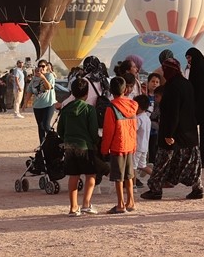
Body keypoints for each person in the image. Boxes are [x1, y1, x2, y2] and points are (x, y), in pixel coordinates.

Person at [142, 57, 204, 200]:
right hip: (189, 131)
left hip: (173, 131)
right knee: (191, 161)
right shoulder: (187, 84)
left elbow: (172, 112)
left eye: (164, 70)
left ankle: (155, 189)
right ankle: (197, 187)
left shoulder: (171, 87)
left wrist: (169, 133)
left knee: (162, 160)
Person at [57, 76, 100, 215]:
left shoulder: (66, 109)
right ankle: (86, 204)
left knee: (73, 176)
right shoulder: (89, 109)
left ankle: (73, 207)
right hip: (85, 146)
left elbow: (60, 130)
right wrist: (95, 142)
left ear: (73, 93)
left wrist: (66, 139)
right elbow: (93, 130)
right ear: (87, 93)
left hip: (69, 146)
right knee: (91, 174)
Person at [100, 75, 139, 214]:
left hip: (118, 145)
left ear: (111, 90)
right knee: (129, 175)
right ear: (125, 89)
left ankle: (120, 204)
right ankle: (131, 201)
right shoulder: (132, 106)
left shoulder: (112, 108)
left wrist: (104, 149)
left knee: (118, 177)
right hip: (130, 143)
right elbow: (134, 127)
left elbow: (108, 131)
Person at [30, 61, 57, 143]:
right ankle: (42, 145)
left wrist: (43, 77)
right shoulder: (35, 78)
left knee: (46, 125)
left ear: (47, 67)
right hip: (37, 105)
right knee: (40, 126)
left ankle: (55, 139)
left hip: (48, 104)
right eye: (39, 66)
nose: (41, 68)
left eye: (43, 66)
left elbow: (49, 87)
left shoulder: (50, 76)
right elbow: (29, 90)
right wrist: (25, 103)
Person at [132, 94, 152, 186]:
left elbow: (133, 130)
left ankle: (133, 185)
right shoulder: (147, 118)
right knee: (142, 165)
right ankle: (158, 177)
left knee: (133, 167)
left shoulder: (137, 119)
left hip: (137, 146)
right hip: (145, 147)